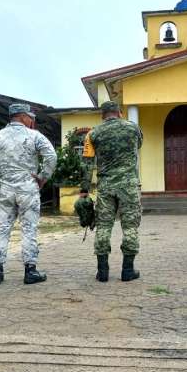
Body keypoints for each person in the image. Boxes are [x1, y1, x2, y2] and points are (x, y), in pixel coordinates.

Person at [0, 103, 57, 285]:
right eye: (30, 117)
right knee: (29, 228)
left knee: (2, 228)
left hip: (6, 189)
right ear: (22, 116)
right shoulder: (34, 136)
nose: (32, 121)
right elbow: (51, 156)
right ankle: (30, 270)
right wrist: (43, 178)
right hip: (28, 189)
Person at [80, 100, 142, 282]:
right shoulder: (133, 128)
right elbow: (138, 146)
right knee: (130, 226)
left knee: (104, 226)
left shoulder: (93, 133)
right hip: (129, 186)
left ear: (102, 115)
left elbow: (87, 163)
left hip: (105, 186)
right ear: (120, 113)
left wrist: (84, 190)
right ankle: (128, 270)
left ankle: (103, 271)